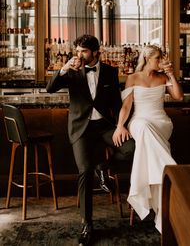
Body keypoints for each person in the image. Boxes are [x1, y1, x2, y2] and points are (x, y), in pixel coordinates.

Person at [46, 34, 134, 246]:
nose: (79, 55)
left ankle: (103, 166)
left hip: (104, 126)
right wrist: (64, 68)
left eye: (83, 51)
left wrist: (121, 126)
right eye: (77, 51)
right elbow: (50, 88)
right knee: (84, 170)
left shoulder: (111, 72)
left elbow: (116, 102)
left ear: (95, 52)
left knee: (131, 148)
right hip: (81, 128)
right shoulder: (72, 71)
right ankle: (87, 224)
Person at [112, 44, 183, 233]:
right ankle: (171, 172)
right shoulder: (133, 78)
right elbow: (127, 107)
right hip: (139, 120)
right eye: (158, 58)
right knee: (143, 127)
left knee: (148, 135)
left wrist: (172, 75)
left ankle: (149, 190)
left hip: (161, 123)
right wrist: (120, 126)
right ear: (148, 59)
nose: (161, 61)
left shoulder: (163, 77)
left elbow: (178, 96)